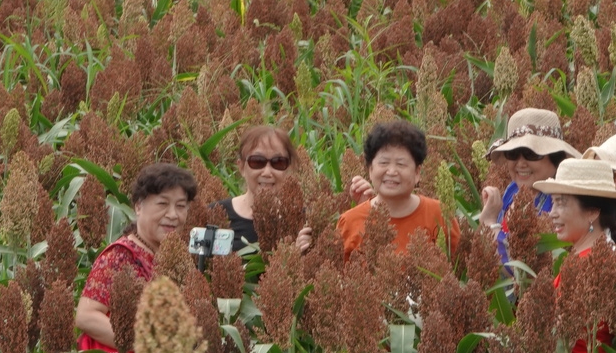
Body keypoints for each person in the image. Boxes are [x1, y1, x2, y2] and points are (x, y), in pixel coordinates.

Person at [74, 162, 196, 353]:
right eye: (162, 204)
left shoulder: (177, 257)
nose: (173, 215)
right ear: (138, 206)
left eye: (181, 205)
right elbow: (86, 316)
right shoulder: (120, 256)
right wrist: (149, 344)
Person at [530, 157, 616, 353]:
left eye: (562, 203)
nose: (552, 213)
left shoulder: (585, 266)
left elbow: (561, 350)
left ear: (592, 213)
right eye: (553, 203)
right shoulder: (599, 257)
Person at [476, 107, 582, 265]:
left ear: (555, 158)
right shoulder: (512, 191)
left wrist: (489, 224)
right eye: (512, 153)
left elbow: (526, 267)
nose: (520, 163)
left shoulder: (563, 201)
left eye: (531, 154)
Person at [340, 119, 459, 257]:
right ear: (371, 170)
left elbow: (460, 266)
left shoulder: (440, 214)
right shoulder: (349, 222)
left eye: (401, 164)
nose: (391, 171)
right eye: (384, 163)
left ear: (417, 173)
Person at [214, 125, 314, 252]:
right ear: (241, 167)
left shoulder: (305, 220)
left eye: (278, 162)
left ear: (288, 169)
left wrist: (298, 257)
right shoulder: (216, 215)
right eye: (257, 161)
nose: (267, 172)